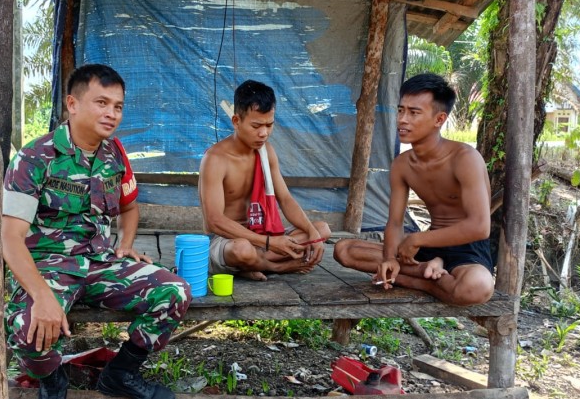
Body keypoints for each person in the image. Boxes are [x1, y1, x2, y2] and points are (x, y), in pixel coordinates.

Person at [2, 64, 191, 399]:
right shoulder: (35, 158)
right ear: (72, 104)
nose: (112, 114)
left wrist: (125, 243)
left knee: (175, 292)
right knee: (27, 327)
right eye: (102, 103)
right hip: (50, 267)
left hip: (102, 263)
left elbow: (129, 207)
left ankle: (121, 373)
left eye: (118, 106)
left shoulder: (114, 156)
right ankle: (52, 384)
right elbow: (9, 238)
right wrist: (41, 296)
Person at [333, 73, 494, 305]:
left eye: (414, 113)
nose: (402, 120)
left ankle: (418, 279)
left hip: (466, 252)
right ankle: (427, 273)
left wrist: (418, 239)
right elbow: (395, 223)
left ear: (439, 119)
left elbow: (479, 227)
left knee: (475, 288)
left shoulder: (465, 158)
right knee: (344, 249)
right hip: (426, 249)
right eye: (400, 110)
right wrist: (389, 258)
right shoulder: (402, 164)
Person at [199, 80, 331, 281]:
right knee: (242, 249)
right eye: (256, 125)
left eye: (269, 125)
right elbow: (214, 221)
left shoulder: (266, 151)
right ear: (236, 121)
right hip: (227, 241)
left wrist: (312, 233)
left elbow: (285, 199)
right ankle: (276, 267)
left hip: (262, 236)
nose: (264, 133)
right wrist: (270, 243)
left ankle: (253, 264)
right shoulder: (215, 159)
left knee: (322, 229)